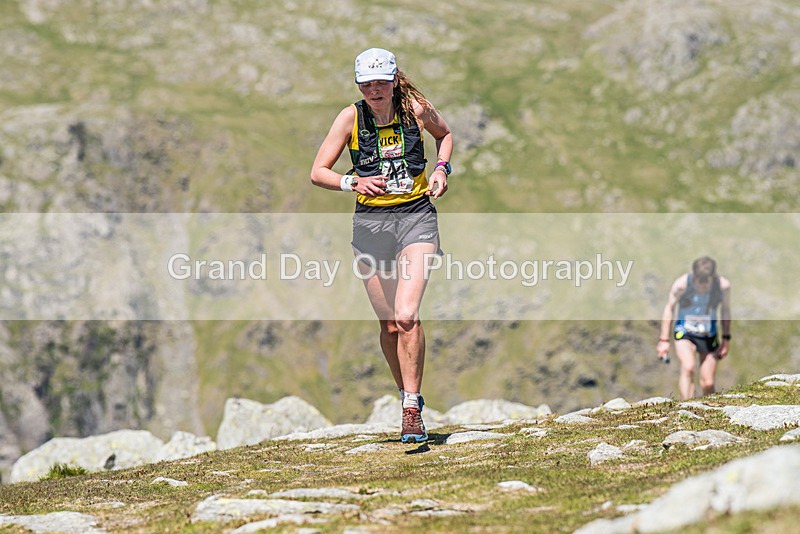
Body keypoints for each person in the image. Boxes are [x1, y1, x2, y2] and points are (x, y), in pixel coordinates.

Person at [310, 48, 453, 443]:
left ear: (393, 80)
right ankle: (407, 395)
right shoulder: (350, 118)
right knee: (389, 324)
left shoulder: (416, 109)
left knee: (406, 315)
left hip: (416, 216)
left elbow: (444, 135)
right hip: (371, 225)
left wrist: (441, 170)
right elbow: (318, 172)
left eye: (380, 83)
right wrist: (352, 182)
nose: (373, 90)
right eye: (366, 84)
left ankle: (411, 407)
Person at [657, 256, 731, 400]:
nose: (702, 287)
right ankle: (687, 406)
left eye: (706, 283)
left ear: (713, 277)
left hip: (708, 334)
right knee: (688, 367)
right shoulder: (681, 285)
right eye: (699, 282)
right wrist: (664, 340)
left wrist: (726, 339)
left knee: (708, 382)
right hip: (685, 332)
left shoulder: (723, 286)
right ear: (694, 276)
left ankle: (710, 409)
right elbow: (669, 308)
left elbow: (726, 311)